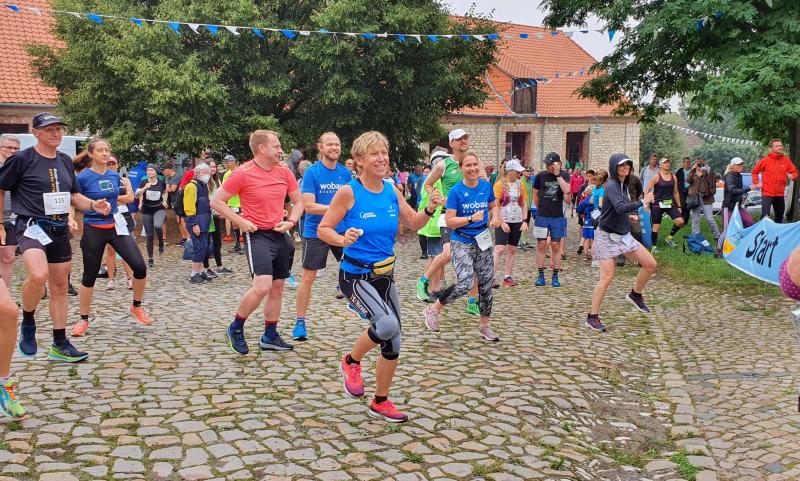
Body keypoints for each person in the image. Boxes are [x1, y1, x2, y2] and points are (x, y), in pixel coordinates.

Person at [317, 131, 443, 423]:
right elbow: (324, 229)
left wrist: (429, 208)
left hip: (385, 276)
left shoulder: (390, 190)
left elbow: (413, 223)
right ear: (359, 160)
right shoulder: (349, 192)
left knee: (393, 341)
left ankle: (381, 401)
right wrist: (342, 239)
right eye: (374, 153)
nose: (382, 158)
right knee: (386, 325)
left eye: (384, 152)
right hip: (355, 275)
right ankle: (350, 361)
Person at [0, 112, 111, 362]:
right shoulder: (21, 159)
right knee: (39, 275)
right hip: (31, 226)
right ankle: (28, 320)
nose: (56, 134)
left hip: (58, 228)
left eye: (59, 129)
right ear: (35, 133)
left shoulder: (64, 160)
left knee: (60, 285)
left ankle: (59, 343)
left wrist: (94, 205)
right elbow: (1, 188)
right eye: (49, 129)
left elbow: (74, 196)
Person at [212, 130, 304, 354]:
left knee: (278, 287)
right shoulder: (242, 173)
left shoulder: (284, 172)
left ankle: (270, 336)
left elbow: (299, 202)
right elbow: (217, 201)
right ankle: (235, 328)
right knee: (262, 286)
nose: (281, 150)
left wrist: (291, 221)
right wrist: (240, 221)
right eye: (277, 146)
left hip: (280, 233)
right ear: (262, 148)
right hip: (257, 235)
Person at [70, 140, 152, 337]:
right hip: (94, 228)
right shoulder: (82, 178)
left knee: (139, 267)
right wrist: (71, 218)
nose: (105, 153)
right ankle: (83, 319)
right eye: (100, 150)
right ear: (91, 154)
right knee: (89, 276)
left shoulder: (114, 176)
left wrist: (119, 198)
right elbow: (74, 200)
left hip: (116, 226)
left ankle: (136, 307)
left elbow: (121, 198)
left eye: (107, 150)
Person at [423, 151, 501, 341]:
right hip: (462, 241)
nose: (472, 168)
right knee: (465, 283)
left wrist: (496, 218)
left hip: (483, 240)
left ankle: (485, 326)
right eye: (468, 165)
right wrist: (470, 218)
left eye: (475, 164)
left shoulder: (486, 186)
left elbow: (493, 206)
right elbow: (450, 221)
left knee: (486, 284)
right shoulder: (456, 191)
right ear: (461, 169)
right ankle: (434, 309)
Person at [587, 154, 657, 332]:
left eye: (627, 164)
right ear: (614, 167)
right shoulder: (611, 185)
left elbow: (618, 210)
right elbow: (619, 207)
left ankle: (635, 295)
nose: (625, 167)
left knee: (650, 264)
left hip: (623, 235)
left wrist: (628, 217)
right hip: (606, 236)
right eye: (621, 165)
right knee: (607, 277)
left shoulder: (623, 184)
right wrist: (643, 202)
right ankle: (592, 317)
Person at [293, 132, 351, 341]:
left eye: (337, 144)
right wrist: (336, 208)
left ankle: (359, 303)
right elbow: (309, 206)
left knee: (356, 267)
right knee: (308, 277)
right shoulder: (312, 173)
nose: (334, 147)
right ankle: (300, 321)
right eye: (330, 144)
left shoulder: (345, 173)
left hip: (341, 229)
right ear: (321, 147)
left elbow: (352, 202)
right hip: (316, 231)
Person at [417, 129, 480, 314]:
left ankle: (472, 301)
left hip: (471, 219)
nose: (464, 141)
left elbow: (483, 186)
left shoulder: (473, 163)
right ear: (451, 143)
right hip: (449, 217)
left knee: (476, 261)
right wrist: (438, 197)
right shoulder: (444, 165)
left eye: (466, 138)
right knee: (448, 253)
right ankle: (423, 280)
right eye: (459, 139)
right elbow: (428, 184)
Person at [532, 152, 570, 287]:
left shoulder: (564, 175)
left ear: (557, 164)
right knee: (541, 244)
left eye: (550, 164)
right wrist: (541, 208)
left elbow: (567, 190)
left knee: (555, 245)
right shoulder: (540, 176)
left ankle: (555, 275)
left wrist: (558, 175)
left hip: (557, 216)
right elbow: (535, 195)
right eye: (546, 164)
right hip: (542, 216)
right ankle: (540, 275)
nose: (547, 166)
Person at [493, 159, 528, 287]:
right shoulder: (499, 185)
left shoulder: (520, 184)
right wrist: (501, 222)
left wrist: (525, 221)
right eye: (517, 171)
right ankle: (490, 277)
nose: (519, 173)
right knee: (499, 249)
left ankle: (507, 276)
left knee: (512, 249)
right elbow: (495, 205)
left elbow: (524, 204)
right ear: (510, 171)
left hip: (517, 220)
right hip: (503, 220)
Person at [102, 156, 135, 290]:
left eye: (113, 164)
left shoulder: (124, 180)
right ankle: (111, 279)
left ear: (117, 165)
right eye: (108, 164)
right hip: (110, 215)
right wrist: (121, 199)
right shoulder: (102, 180)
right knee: (111, 250)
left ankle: (130, 278)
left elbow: (131, 198)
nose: (111, 166)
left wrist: (114, 198)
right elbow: (102, 199)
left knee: (126, 249)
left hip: (123, 216)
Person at [752, 139, 798, 223]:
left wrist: (793, 176)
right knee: (765, 216)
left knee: (779, 217)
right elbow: (754, 172)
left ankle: (777, 231)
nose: (779, 147)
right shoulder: (765, 160)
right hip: (767, 193)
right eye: (777, 146)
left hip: (780, 193)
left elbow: (794, 172)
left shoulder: (786, 160)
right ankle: (763, 231)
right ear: (771, 148)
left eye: (780, 145)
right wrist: (756, 182)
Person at [183, 163, 214, 283]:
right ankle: (194, 273)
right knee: (199, 247)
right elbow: (189, 206)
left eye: (208, 172)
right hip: (196, 222)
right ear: (197, 174)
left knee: (204, 246)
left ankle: (200, 271)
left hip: (204, 220)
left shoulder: (204, 186)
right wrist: (194, 223)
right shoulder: (192, 186)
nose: (207, 174)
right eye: (204, 172)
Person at [645, 158, 684, 250]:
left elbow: (676, 192)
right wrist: (646, 203)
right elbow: (647, 189)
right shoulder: (657, 177)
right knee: (656, 227)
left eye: (668, 162)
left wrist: (679, 206)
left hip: (670, 203)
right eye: (665, 162)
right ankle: (654, 247)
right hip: (657, 204)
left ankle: (669, 238)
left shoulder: (673, 177)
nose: (667, 164)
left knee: (680, 221)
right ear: (660, 165)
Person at [203, 160, 232, 278]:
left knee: (217, 242)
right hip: (207, 215)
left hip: (216, 215)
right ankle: (206, 268)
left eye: (214, 166)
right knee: (206, 242)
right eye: (211, 167)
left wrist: (222, 210)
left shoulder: (217, 180)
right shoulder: (204, 182)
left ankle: (219, 266)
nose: (213, 169)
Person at [135, 164, 167, 267]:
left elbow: (165, 192)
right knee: (149, 235)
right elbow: (136, 195)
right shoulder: (143, 182)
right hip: (146, 210)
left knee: (158, 225)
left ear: (156, 172)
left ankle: (161, 242)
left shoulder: (161, 182)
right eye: (148, 170)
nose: (149, 172)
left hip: (159, 208)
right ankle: (150, 258)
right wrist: (144, 188)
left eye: (152, 170)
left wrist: (165, 200)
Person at [718, 157, 750, 252]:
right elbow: (732, 190)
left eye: (742, 164)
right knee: (726, 230)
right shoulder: (729, 176)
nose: (741, 166)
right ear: (733, 166)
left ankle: (742, 246)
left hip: (737, 207)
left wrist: (741, 198)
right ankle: (718, 251)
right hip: (728, 207)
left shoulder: (739, 176)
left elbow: (738, 191)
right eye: (739, 165)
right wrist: (748, 189)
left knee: (750, 222)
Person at [0, 135, 21, 284]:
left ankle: (4, 294)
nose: (12, 150)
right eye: (9, 147)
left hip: (13, 219)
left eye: (16, 148)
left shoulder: (19, 168)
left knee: (8, 257)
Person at [687, 157, 721, 244]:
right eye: (698, 164)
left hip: (706, 199)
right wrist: (692, 169)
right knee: (695, 219)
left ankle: (718, 237)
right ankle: (695, 236)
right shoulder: (693, 173)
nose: (699, 166)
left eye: (701, 164)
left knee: (710, 219)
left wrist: (708, 171)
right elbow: (688, 180)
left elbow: (712, 184)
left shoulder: (708, 173)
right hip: (695, 198)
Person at [221, 155, 243, 253]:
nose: (226, 164)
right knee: (234, 224)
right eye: (225, 162)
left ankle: (246, 244)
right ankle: (238, 244)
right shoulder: (227, 174)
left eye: (228, 162)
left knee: (242, 223)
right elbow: (223, 188)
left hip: (241, 203)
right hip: (232, 203)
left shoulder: (241, 172)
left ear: (234, 162)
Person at [674, 157, 692, 228]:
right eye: (686, 162)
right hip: (681, 191)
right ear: (683, 163)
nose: (688, 163)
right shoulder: (680, 171)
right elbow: (675, 181)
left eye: (689, 162)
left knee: (688, 207)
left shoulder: (692, 171)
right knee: (682, 205)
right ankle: (681, 220)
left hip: (690, 191)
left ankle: (685, 222)